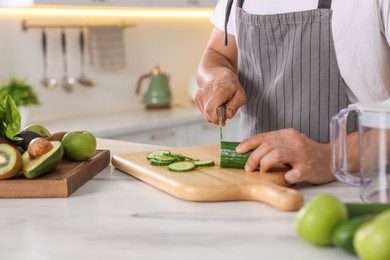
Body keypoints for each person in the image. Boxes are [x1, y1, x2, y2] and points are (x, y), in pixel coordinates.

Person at [194, 0, 390, 185]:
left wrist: (330, 156)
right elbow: (217, 53)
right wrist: (218, 77)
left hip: (359, 189)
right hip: (258, 188)